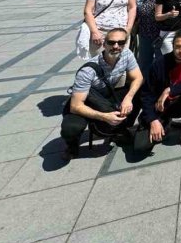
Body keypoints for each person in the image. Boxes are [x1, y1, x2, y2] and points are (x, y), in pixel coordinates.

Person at [60, 27, 143, 160]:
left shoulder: (126, 54)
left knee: (141, 90)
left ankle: (121, 129)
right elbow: (76, 106)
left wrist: (128, 98)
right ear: (104, 44)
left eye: (121, 42)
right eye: (111, 42)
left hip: (107, 96)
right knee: (71, 128)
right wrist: (104, 117)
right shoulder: (88, 71)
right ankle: (72, 145)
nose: (116, 46)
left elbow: (138, 77)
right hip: (85, 101)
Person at [135, 28, 181, 154]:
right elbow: (146, 94)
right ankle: (164, 122)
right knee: (140, 146)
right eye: (178, 46)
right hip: (162, 107)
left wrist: (170, 90)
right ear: (172, 45)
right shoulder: (159, 64)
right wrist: (152, 120)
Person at [136, 0, 166, 77]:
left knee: (159, 61)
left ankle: (158, 85)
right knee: (144, 61)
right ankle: (144, 85)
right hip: (145, 31)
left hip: (159, 33)